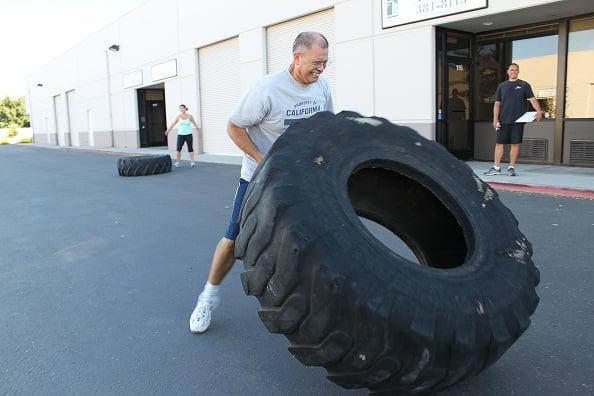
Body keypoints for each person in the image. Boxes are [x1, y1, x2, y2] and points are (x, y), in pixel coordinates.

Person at [189, 32, 334, 334]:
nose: (321, 68)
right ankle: (208, 297)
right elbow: (233, 125)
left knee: (314, 236)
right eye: (316, 62)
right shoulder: (268, 90)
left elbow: (326, 126)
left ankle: (316, 302)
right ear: (297, 57)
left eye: (325, 63)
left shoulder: (322, 86)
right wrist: (261, 159)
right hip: (260, 176)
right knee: (232, 239)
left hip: (302, 176)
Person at [484, 63, 543, 176]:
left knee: (515, 144)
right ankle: (496, 168)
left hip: (518, 120)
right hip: (503, 120)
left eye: (516, 70)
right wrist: (495, 119)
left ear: (518, 71)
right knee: (499, 143)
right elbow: (497, 104)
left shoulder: (524, 85)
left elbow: (532, 99)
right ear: (508, 71)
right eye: (511, 70)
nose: (514, 72)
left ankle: (511, 167)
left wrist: (539, 111)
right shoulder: (502, 86)